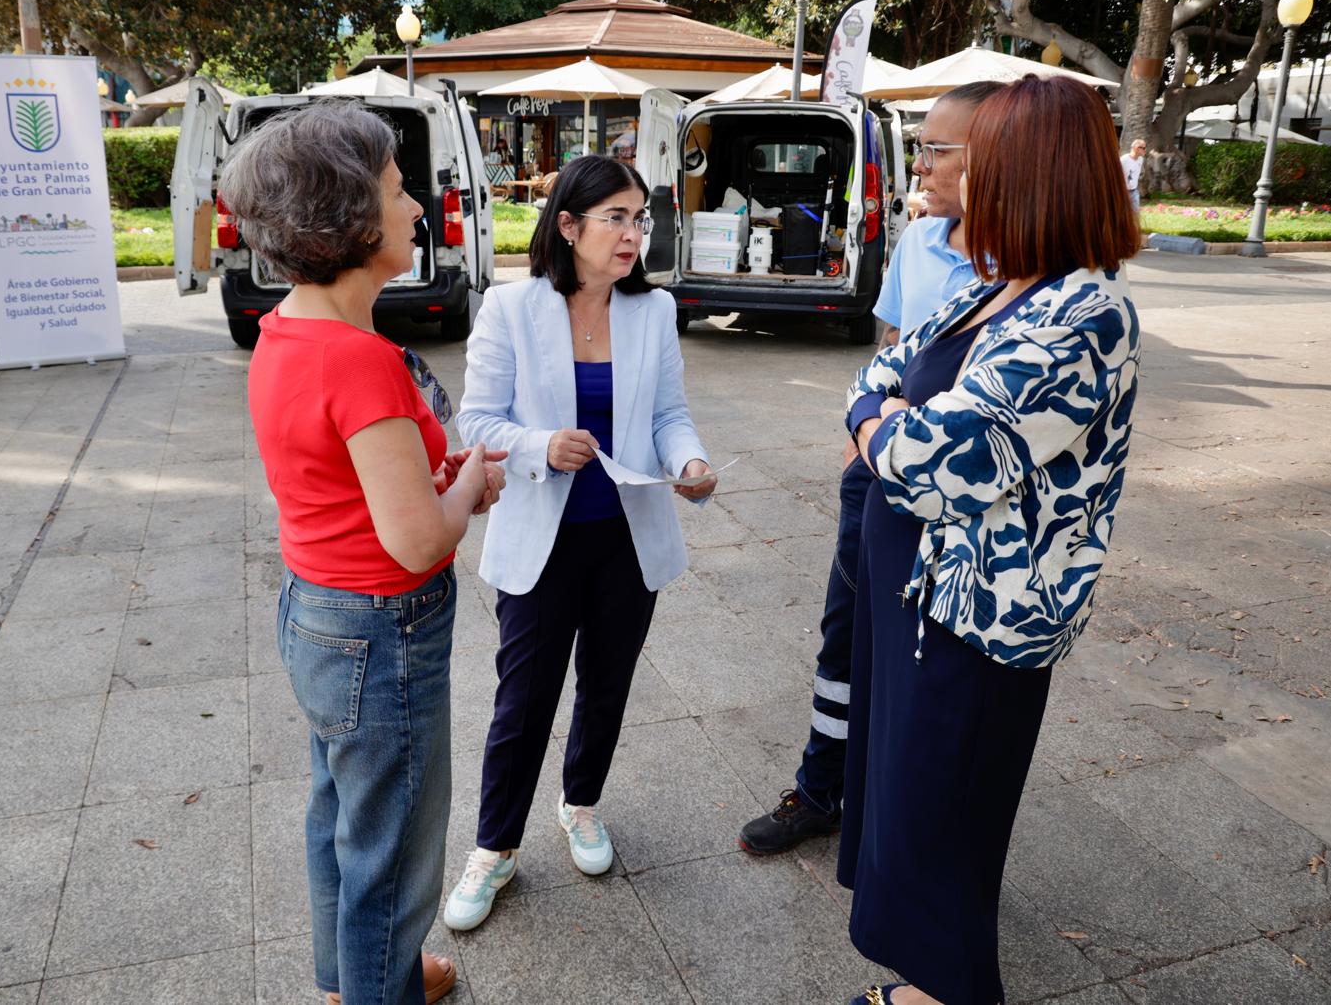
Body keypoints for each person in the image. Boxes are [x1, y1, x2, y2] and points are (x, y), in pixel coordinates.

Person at [840, 74, 1142, 1005]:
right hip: (915, 586)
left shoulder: (1083, 316)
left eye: (979, 160)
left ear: (1031, 175)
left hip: (980, 613)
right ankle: (927, 977)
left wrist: (877, 424)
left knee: (944, 812)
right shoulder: (999, 287)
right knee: (910, 800)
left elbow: (935, 461)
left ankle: (951, 991)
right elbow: (880, 371)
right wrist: (879, 413)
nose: (955, 175)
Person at [229, 102, 506, 1005]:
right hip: (384, 633)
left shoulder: (288, 331)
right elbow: (420, 538)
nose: (417, 206)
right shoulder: (360, 360)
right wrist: (470, 483)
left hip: (318, 614)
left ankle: (352, 979)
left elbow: (346, 477)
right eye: (395, 191)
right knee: (393, 848)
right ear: (348, 220)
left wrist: (436, 475)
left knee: (340, 814)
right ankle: (380, 985)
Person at [444, 154, 717, 932]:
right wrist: (539, 444)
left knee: (607, 685)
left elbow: (668, 415)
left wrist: (690, 464)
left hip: (628, 537)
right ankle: (494, 847)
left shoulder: (652, 310)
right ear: (568, 225)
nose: (633, 234)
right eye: (616, 218)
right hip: (543, 539)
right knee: (523, 699)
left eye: (640, 219)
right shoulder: (511, 307)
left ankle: (581, 803)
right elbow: (477, 420)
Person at [737, 80, 1005, 856]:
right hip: (880, 474)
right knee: (845, 638)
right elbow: (892, 348)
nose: (919, 167)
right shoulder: (919, 242)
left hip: (963, 500)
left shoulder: (1029, 273)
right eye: (920, 149)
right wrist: (865, 436)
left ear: (991, 157)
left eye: (936, 150)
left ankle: (897, 811)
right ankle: (820, 790)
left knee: (926, 660)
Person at [1120, 137, 1146, 210]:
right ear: (1136, 148)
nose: (1145, 150)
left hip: (1134, 191)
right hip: (1123, 191)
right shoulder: (1123, 160)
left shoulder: (1140, 159)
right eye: (1143, 148)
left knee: (1135, 213)